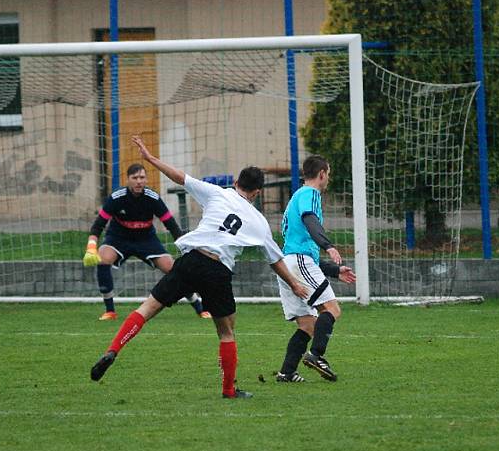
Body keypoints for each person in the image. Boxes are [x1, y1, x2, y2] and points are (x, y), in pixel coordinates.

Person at [90, 135, 309, 399]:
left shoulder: (218, 192)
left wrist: (150, 159)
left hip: (191, 258)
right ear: (257, 192)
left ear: (236, 183)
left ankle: (114, 348)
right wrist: (295, 284)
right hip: (218, 270)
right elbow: (275, 261)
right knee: (226, 331)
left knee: (147, 308)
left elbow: (180, 177)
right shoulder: (260, 223)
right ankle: (229, 390)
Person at [83, 162, 211, 320]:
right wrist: (91, 247)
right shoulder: (116, 198)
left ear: (146, 180)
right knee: (103, 259)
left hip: (146, 239)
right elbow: (98, 226)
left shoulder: (153, 198)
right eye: (134, 177)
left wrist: (186, 248)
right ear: (128, 179)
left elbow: (171, 225)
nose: (138, 181)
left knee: (173, 268)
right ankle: (110, 311)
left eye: (142, 177)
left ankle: (200, 308)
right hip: (118, 238)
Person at [275, 154, 356, 383]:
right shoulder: (310, 194)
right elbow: (311, 221)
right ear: (322, 174)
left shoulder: (295, 197)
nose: (327, 178)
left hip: (288, 264)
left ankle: (287, 372)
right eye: (327, 174)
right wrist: (328, 246)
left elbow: (300, 246)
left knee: (307, 324)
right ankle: (316, 355)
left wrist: (334, 270)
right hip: (299, 262)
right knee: (332, 309)